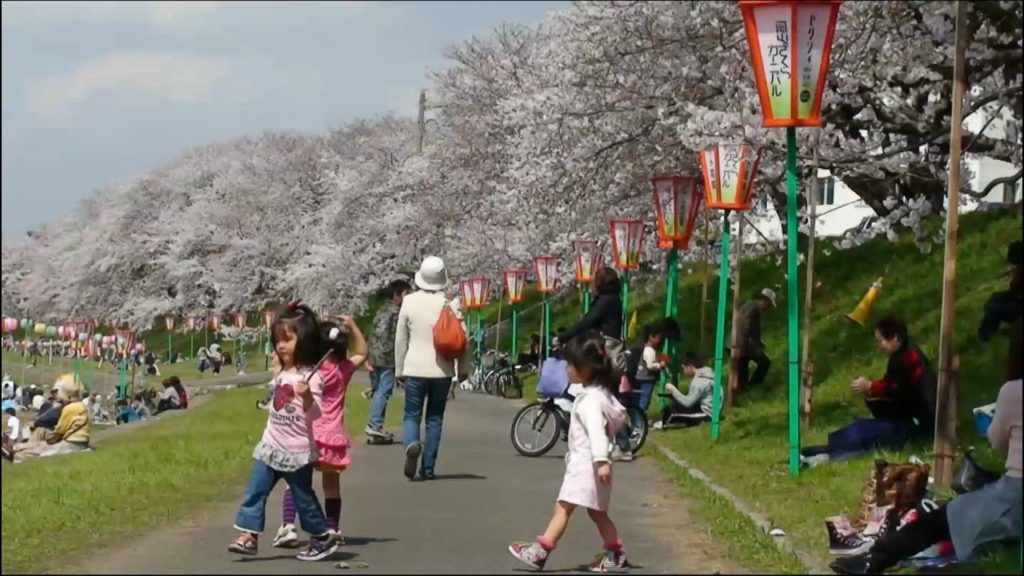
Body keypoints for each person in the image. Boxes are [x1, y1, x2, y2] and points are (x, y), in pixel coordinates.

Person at [830, 323, 1022, 575]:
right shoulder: (911, 356)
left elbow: (998, 443)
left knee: (944, 517)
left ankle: (874, 561)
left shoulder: (1013, 391)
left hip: (1014, 491)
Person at [508, 332, 629, 572]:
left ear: (587, 369)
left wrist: (601, 460)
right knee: (598, 513)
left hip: (586, 465)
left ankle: (541, 551)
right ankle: (615, 554)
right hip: (593, 465)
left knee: (563, 508)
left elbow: (596, 431)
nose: (567, 369)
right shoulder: (600, 395)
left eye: (572, 364)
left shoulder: (590, 401)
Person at [227, 303, 338, 561]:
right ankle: (248, 535)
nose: (281, 346)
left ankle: (321, 537)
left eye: (287, 339)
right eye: (277, 340)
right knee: (256, 490)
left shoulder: (312, 377)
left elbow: (316, 415)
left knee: (303, 499)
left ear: (306, 340)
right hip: (270, 445)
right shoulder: (281, 371)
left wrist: (308, 395)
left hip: (296, 452)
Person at [274, 316, 367, 548]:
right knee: (331, 486)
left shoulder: (307, 371)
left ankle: (288, 526)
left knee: (294, 483)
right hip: (333, 437)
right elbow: (363, 353)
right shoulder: (342, 370)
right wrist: (353, 326)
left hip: (306, 434)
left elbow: (279, 362)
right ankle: (333, 527)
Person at [802, 316, 936, 466]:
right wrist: (871, 392)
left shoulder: (910, 357)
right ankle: (822, 450)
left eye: (881, 341)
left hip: (917, 423)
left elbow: (897, 387)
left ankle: (825, 456)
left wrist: (871, 387)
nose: (879, 346)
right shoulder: (900, 356)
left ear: (895, 338)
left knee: (867, 434)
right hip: (906, 417)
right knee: (863, 427)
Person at [394, 256, 471, 481]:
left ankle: (411, 444)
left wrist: (399, 369)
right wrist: (464, 368)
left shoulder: (409, 302)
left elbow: (401, 339)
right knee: (435, 418)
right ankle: (427, 468)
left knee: (411, 414)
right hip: (442, 370)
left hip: (415, 367)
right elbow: (463, 339)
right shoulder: (451, 303)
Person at [557, 267, 626, 375]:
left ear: (599, 283)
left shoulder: (606, 300)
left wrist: (563, 336)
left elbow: (588, 322)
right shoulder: (614, 299)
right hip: (609, 342)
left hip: (604, 344)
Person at [365, 279, 411, 440]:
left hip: (375, 356)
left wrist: (368, 356)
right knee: (384, 391)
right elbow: (400, 337)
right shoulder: (398, 313)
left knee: (379, 391)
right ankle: (374, 424)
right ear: (396, 295)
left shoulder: (381, 310)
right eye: (406, 294)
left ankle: (377, 426)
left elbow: (373, 334)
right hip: (388, 357)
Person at [14, 374, 91, 462]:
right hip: (78, 443)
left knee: (40, 451)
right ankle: (17, 448)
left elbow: (59, 432)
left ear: (68, 394)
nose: (55, 395)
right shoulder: (81, 407)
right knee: (40, 445)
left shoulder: (69, 409)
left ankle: (17, 454)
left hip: (71, 444)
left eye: (56, 392)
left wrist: (48, 442)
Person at [656, 351, 714, 429]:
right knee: (674, 406)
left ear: (689, 366)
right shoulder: (709, 374)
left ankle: (663, 425)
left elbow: (687, 403)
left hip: (707, 414)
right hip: (710, 410)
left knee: (672, 412)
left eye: (683, 368)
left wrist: (673, 390)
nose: (683, 371)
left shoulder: (699, 381)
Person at [733, 288, 775, 393]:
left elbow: (752, 329)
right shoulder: (752, 307)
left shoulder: (754, 308)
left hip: (744, 344)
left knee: (743, 374)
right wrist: (752, 344)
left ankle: (748, 390)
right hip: (741, 345)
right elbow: (744, 326)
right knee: (763, 363)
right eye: (768, 304)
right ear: (764, 300)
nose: (768, 308)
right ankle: (750, 389)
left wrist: (758, 342)